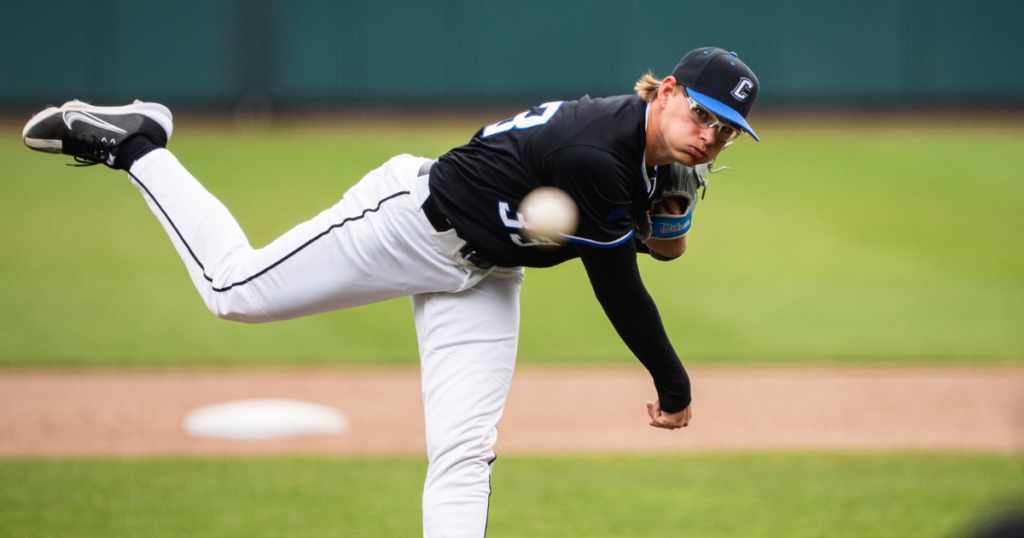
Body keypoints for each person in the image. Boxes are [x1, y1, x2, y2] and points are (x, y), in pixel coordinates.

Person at [22, 46, 759, 538]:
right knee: (231, 288)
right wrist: (673, 382)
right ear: (665, 92)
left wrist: (671, 202)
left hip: (484, 274)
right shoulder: (599, 151)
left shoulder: (640, 152)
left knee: (464, 453)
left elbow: (666, 248)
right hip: (409, 223)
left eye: (727, 132)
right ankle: (137, 144)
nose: (711, 137)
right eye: (702, 114)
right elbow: (621, 288)